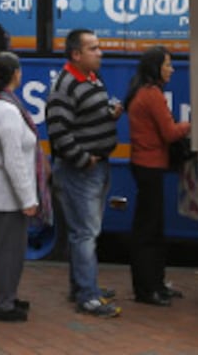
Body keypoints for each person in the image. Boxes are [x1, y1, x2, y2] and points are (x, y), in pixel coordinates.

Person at [46, 28, 122, 318]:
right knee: (85, 234)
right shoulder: (65, 85)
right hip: (80, 172)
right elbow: (58, 131)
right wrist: (83, 160)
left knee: (86, 232)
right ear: (76, 54)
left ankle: (82, 286)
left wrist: (110, 113)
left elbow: (85, 116)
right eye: (93, 48)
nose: (100, 53)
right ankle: (88, 297)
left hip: (98, 167)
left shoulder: (91, 78)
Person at [0, 52, 48, 323]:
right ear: (15, 74)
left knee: (9, 250)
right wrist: (28, 198)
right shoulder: (7, 111)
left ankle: (7, 296)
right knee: (7, 251)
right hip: (5, 194)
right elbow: (14, 160)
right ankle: (1, 304)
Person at [126, 45, 190, 307]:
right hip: (150, 166)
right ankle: (147, 289)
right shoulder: (152, 94)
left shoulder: (141, 90)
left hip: (145, 165)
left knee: (152, 227)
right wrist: (191, 124)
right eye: (167, 65)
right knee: (149, 231)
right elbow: (170, 133)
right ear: (156, 67)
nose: (172, 70)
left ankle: (156, 283)